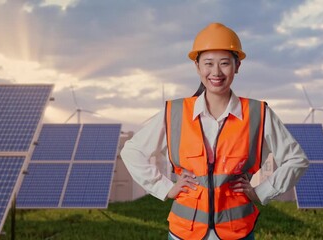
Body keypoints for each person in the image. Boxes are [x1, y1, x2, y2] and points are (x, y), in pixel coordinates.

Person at [121, 22, 309, 240]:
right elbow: (132, 152)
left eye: (225, 63)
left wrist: (261, 192)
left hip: (237, 232)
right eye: (208, 63)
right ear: (197, 66)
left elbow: (297, 159)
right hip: (184, 233)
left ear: (237, 66)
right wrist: (165, 188)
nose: (216, 72)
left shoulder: (258, 113)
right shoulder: (174, 113)